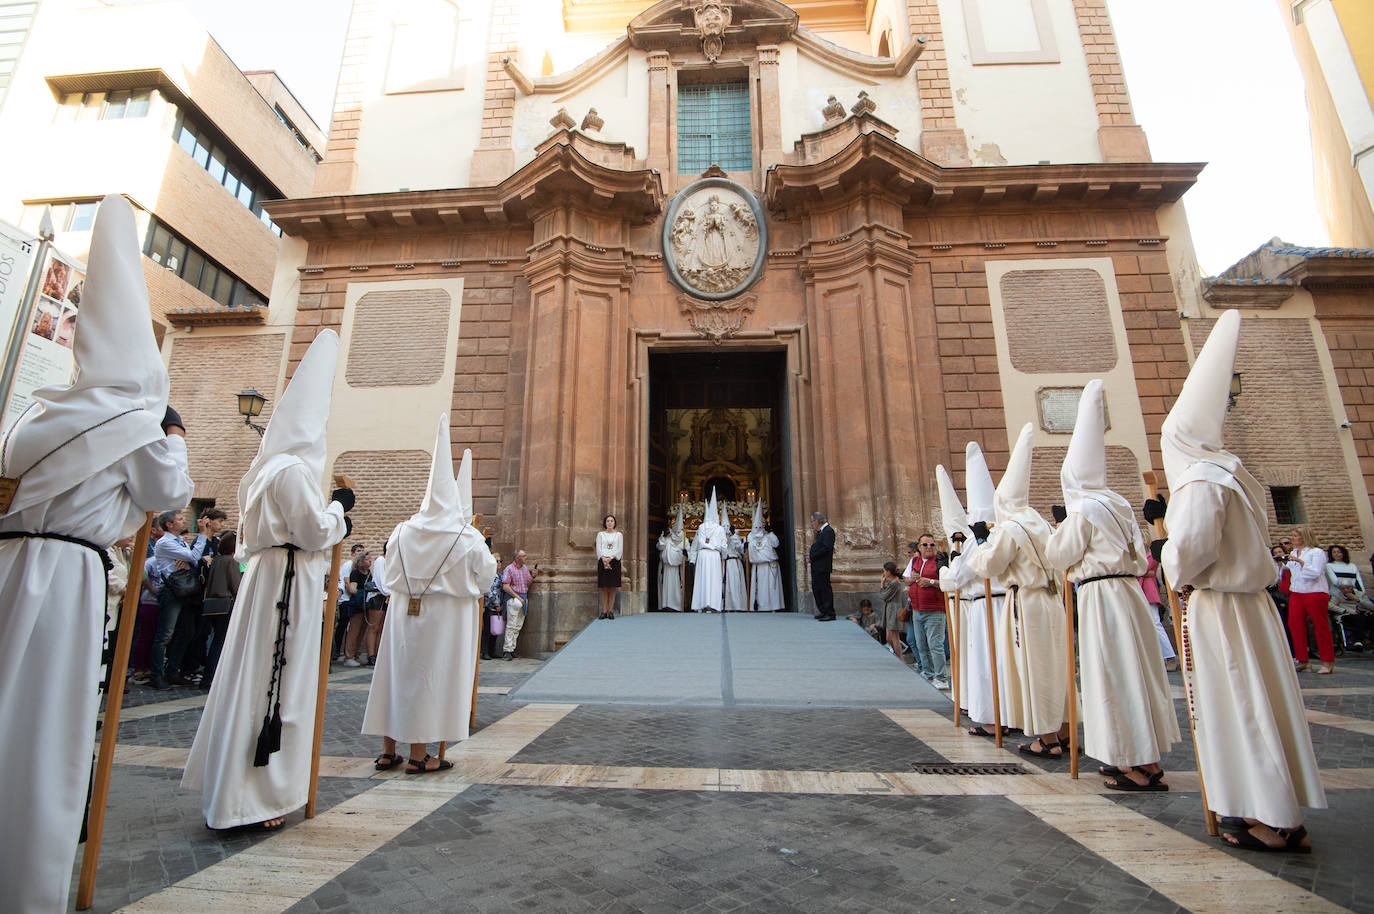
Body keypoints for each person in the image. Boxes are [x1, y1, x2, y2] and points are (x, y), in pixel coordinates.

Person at [0, 194, 194, 914]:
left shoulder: (36, 410)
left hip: (10, 566)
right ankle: (28, 882)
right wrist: (173, 431)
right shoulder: (133, 419)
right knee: (47, 727)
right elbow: (166, 490)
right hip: (68, 581)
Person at [1159, 309, 1324, 852]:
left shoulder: (1199, 482)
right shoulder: (1232, 470)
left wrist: (1167, 559)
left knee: (1240, 706)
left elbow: (1191, 549)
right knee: (1257, 702)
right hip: (1248, 606)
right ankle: (1275, 809)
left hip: (1220, 607)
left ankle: (1269, 817)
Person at [183, 330, 352, 831]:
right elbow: (314, 529)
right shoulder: (294, 472)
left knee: (250, 677)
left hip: (265, 577)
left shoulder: (260, 471)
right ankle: (257, 799)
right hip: (288, 579)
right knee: (277, 684)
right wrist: (340, 509)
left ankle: (235, 791)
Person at [1048, 378, 1179, 791]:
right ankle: (1149, 758)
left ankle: (1128, 762)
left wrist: (1063, 527)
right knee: (1136, 673)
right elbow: (1143, 558)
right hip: (1130, 593)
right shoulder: (1119, 503)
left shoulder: (1084, 509)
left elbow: (1058, 555)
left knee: (1112, 676)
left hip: (1101, 597)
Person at [364, 415, 496, 774]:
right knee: (430, 679)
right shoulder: (465, 536)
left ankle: (389, 749)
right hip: (446, 618)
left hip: (403, 611)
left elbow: (387, 574)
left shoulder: (403, 530)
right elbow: (486, 577)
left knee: (398, 675)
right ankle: (421, 755)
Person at [967, 423, 1071, 759]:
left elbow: (990, 566)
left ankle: (1048, 738)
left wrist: (981, 543)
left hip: (1026, 603)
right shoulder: (1039, 523)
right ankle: (1066, 732)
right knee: (1060, 666)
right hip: (1053, 601)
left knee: (1035, 668)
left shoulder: (1010, 528)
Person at [936, 464, 1001, 737]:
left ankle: (992, 719)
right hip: (1006, 605)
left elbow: (958, 577)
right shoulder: (1006, 531)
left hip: (982, 605)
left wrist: (950, 561)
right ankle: (1005, 716)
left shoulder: (975, 540)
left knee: (986, 666)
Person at [148, 508, 211, 689]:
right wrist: (202, 534)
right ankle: (156, 675)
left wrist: (189, 559)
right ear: (169, 524)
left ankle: (173, 670)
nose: (184, 521)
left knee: (186, 632)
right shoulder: (165, 543)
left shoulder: (180, 543)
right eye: (181, 519)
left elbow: (192, 559)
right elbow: (194, 556)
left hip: (185, 591)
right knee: (165, 634)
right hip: (171, 591)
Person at [1285, 525, 1334, 674]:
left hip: (1314, 591)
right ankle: (1302, 659)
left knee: (1320, 625)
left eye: (1295, 536)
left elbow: (1315, 572)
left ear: (1304, 537)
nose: (1293, 539)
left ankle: (1327, 661)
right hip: (1297, 592)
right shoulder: (1294, 552)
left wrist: (1300, 562)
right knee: (1295, 624)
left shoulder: (1316, 552)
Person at [906, 533, 949, 689]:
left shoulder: (940, 561)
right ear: (919, 547)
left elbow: (948, 582)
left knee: (935, 644)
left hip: (934, 609)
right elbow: (906, 579)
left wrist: (930, 582)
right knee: (921, 643)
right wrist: (912, 579)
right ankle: (928, 672)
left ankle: (941, 677)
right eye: (925, 545)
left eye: (932, 545)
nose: (929, 548)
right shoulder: (914, 561)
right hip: (918, 609)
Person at [200, 531, 242, 690]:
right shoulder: (230, 561)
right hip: (225, 603)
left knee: (214, 640)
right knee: (220, 641)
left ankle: (208, 676)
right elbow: (236, 585)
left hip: (211, 603)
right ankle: (211, 677)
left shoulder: (217, 560)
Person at [1139, 554, 1179, 671]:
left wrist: (1136, 572)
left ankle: (1170, 657)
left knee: (1156, 624)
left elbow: (1140, 569)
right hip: (1139, 592)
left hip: (1148, 593)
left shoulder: (1151, 554)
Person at [691, 490, 726, 612]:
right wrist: (719, 551)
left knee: (703, 580)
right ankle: (714, 605)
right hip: (714, 555)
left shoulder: (701, 527)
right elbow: (723, 546)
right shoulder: (720, 529)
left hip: (703, 554)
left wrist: (707, 545)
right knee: (714, 579)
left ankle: (702, 605)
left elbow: (700, 542)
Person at [747, 500, 784, 611]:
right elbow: (751, 553)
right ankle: (761, 607)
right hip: (758, 566)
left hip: (769, 566)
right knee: (761, 588)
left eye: (760, 527)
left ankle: (774, 607)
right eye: (756, 527)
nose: (758, 529)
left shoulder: (768, 536)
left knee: (771, 587)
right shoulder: (751, 538)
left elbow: (776, 544)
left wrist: (771, 533)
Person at [501, 549, 537, 658]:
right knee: (511, 625)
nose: (526, 557)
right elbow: (505, 586)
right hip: (514, 599)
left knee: (518, 625)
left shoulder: (525, 569)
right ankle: (507, 650)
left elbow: (527, 583)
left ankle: (512, 648)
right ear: (517, 558)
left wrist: (533, 576)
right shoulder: (509, 569)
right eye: (524, 556)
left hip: (523, 598)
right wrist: (517, 597)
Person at [341, 550, 373, 665]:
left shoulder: (369, 573)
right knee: (354, 630)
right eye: (367, 559)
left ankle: (356, 654)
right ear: (361, 561)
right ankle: (349, 656)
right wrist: (362, 592)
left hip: (365, 605)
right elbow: (352, 589)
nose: (370, 561)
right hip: (357, 604)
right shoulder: (355, 573)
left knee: (362, 630)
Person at [807, 510, 836, 621]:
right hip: (817, 566)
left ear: (818, 521)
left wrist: (812, 556)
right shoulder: (821, 532)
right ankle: (823, 611)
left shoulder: (828, 531)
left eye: (812, 521)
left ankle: (829, 612)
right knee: (817, 588)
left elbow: (826, 548)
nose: (812, 524)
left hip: (822, 566)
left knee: (824, 589)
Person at [657, 506, 686, 611]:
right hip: (667, 567)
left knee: (676, 586)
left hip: (677, 569)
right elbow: (660, 546)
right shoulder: (667, 538)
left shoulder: (684, 539)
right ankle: (666, 605)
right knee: (666, 586)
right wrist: (663, 538)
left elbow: (687, 552)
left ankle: (677, 605)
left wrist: (685, 554)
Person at [366, 543, 391, 666]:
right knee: (374, 627)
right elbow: (381, 581)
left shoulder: (391, 562)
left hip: (386, 596)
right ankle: (371, 655)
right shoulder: (381, 560)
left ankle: (378, 653)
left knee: (382, 628)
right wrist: (388, 592)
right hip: (378, 596)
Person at [596, 513, 623, 620]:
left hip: (614, 561)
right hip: (603, 561)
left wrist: (610, 558)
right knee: (604, 587)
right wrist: (603, 558)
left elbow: (619, 549)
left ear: (614, 523)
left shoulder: (619, 535)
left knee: (612, 587)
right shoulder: (600, 534)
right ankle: (603, 611)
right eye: (608, 521)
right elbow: (598, 547)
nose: (610, 523)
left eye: (612, 521)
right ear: (605, 523)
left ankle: (610, 610)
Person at [879, 561, 907, 657]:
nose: (884, 573)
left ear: (889, 572)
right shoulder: (892, 583)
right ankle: (896, 654)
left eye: (885, 571)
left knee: (894, 637)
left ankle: (900, 657)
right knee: (888, 637)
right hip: (890, 609)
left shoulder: (895, 583)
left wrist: (882, 585)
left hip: (894, 609)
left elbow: (884, 596)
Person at [482, 551, 504, 659]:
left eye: (500, 561)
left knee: (495, 629)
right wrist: (496, 604)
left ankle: (492, 650)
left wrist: (501, 603)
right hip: (488, 606)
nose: (499, 563)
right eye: (497, 561)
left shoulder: (500, 576)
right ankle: (485, 651)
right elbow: (488, 591)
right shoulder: (488, 576)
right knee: (487, 629)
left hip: (498, 605)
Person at [724, 524, 748, 612]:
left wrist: (743, 546)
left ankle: (738, 605)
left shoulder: (736, 538)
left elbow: (739, 549)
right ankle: (728, 606)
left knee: (736, 583)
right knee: (728, 584)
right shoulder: (724, 538)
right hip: (727, 562)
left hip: (735, 562)